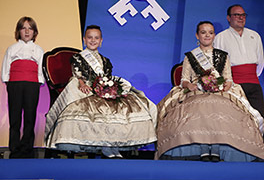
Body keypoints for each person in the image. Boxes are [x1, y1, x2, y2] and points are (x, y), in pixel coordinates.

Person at [155, 21, 264, 162]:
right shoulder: (190, 56)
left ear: (214, 35)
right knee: (199, 108)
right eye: (203, 32)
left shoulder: (223, 56)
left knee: (222, 108)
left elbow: (228, 79)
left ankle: (217, 149)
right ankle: (201, 148)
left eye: (210, 32)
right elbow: (184, 79)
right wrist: (189, 86)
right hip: (196, 90)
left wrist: (222, 87)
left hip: (219, 90)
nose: (207, 35)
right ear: (197, 35)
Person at [44, 25, 157, 158]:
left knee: (119, 107)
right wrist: (81, 83)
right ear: (84, 40)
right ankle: (96, 145)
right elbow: (77, 74)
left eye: (96, 38)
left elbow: (106, 77)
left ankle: (110, 145)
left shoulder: (105, 61)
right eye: (89, 38)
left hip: (102, 90)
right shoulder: (78, 58)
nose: (93, 40)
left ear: (101, 41)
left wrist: (109, 88)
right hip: (85, 88)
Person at [214, 4, 264, 144]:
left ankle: (261, 151)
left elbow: (260, 63)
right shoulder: (221, 37)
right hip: (233, 84)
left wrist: (250, 76)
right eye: (237, 15)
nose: (240, 18)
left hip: (253, 83)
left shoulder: (254, 36)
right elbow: (218, 66)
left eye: (243, 15)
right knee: (235, 118)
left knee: (259, 117)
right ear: (228, 18)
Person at [1, 16, 44, 158]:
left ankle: (27, 147)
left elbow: (40, 69)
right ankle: (14, 147)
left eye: (30, 28)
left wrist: (38, 82)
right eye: (23, 28)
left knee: (30, 116)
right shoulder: (12, 48)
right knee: (15, 116)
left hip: (32, 84)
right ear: (18, 31)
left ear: (34, 32)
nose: (26, 31)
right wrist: (7, 81)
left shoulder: (38, 49)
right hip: (15, 83)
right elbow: (6, 65)